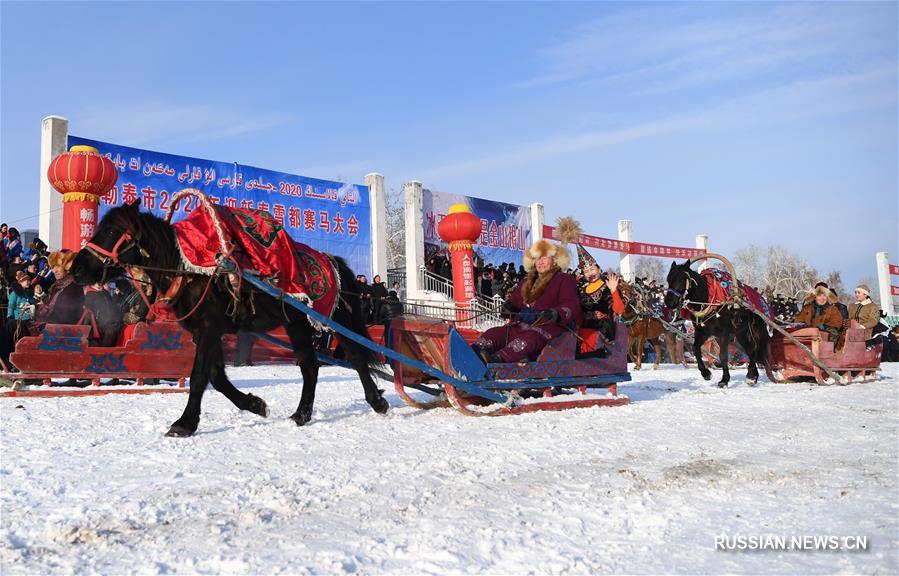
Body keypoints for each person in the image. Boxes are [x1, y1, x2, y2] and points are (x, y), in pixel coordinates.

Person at [472, 239, 580, 363]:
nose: (540, 262)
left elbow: (571, 305)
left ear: (554, 260)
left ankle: (497, 360)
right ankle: (473, 353)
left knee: (527, 340)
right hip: (518, 326)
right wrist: (509, 308)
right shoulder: (525, 282)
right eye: (537, 258)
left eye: (544, 258)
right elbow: (515, 303)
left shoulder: (564, 279)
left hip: (548, 329)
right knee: (493, 333)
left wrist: (556, 313)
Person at [575, 244, 624, 343]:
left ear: (599, 269)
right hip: (584, 328)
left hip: (604, 329)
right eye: (586, 272)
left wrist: (614, 291)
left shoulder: (608, 286)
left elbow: (619, 310)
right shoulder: (581, 291)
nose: (590, 273)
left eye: (592, 269)